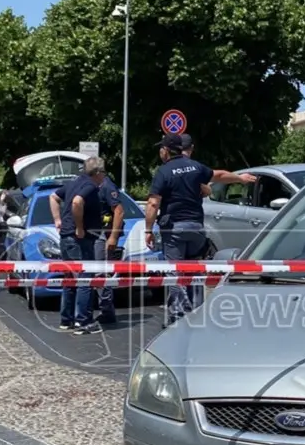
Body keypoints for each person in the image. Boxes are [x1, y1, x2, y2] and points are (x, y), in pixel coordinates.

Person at [145, 133, 255, 326]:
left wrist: (148, 230)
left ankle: (179, 314)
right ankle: (196, 311)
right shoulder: (195, 167)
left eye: (160, 149)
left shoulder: (163, 171)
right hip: (196, 227)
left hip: (174, 230)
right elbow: (219, 175)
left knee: (174, 271)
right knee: (195, 270)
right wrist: (240, 178)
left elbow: (153, 203)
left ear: (166, 150)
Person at [49, 156, 107, 334]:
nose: (104, 176)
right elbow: (76, 202)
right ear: (97, 172)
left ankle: (66, 320)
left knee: (69, 279)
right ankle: (83, 322)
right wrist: (80, 227)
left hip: (66, 237)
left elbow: (53, 197)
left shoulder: (73, 182)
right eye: (104, 172)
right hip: (80, 239)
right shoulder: (90, 185)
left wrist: (58, 220)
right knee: (84, 279)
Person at [93, 170, 125, 325]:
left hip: (104, 235)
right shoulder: (98, 185)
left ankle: (107, 311)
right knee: (98, 272)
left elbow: (118, 211)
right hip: (97, 233)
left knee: (101, 272)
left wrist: (113, 236)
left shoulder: (107, 186)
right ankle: (104, 308)